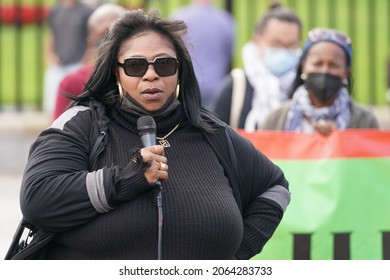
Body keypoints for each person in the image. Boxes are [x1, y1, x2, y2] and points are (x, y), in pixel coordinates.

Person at [19, 9, 290, 260]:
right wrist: (126, 179)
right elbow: (37, 198)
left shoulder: (212, 132)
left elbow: (275, 186)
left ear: (179, 71)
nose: (151, 75)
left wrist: (238, 254)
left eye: (164, 65)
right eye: (136, 66)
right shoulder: (81, 125)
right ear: (117, 72)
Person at [262, 27, 379, 135]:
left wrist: (339, 140)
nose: (325, 70)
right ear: (303, 67)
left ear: (346, 73)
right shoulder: (275, 120)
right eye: (318, 64)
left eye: (334, 65)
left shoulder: (366, 122)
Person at [213, 3, 302, 131]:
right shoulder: (236, 87)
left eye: (291, 45)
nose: (283, 51)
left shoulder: (304, 89)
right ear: (256, 41)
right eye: (275, 44)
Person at [53, 3, 126, 120]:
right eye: (104, 35)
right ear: (90, 41)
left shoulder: (142, 75)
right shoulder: (73, 83)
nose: (110, 42)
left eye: (117, 35)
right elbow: (59, 131)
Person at [171, 0, 235, 109]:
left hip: (186, 85)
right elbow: (229, 55)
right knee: (212, 123)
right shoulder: (225, 20)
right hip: (215, 86)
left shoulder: (178, 17)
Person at [43, 0, 93, 114]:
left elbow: (91, 40)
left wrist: (84, 62)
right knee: (52, 106)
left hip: (77, 65)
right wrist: (50, 55)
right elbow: (52, 35)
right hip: (58, 66)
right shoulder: (56, 10)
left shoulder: (86, 12)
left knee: (74, 107)